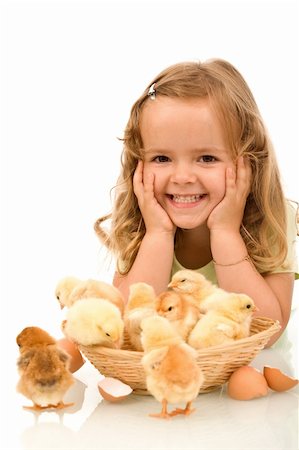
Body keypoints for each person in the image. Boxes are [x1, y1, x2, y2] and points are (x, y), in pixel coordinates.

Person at [95, 59, 298, 345]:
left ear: (248, 162)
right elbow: (127, 328)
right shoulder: (140, 220)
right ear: (139, 165)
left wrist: (225, 233)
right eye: (162, 158)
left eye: (207, 158)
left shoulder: (273, 217)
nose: (182, 177)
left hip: (255, 367)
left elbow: (267, 333)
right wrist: (158, 234)